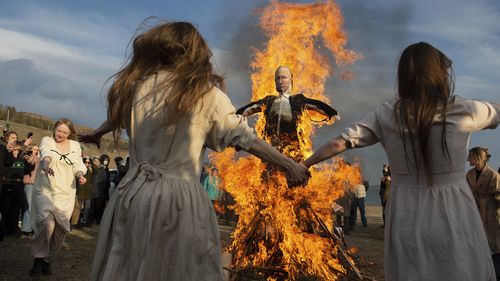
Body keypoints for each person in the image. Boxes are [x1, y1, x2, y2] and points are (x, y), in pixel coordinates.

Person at [78, 21, 309, 281]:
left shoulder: (137, 88)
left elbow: (117, 117)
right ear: (195, 51)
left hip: (131, 193)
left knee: (128, 269)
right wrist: (288, 164)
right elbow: (247, 139)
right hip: (177, 200)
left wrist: (98, 132)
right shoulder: (204, 94)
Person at [304, 42, 499, 280]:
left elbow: (340, 142)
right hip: (454, 208)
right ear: (439, 72)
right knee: (460, 267)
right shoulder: (463, 109)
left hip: (407, 210)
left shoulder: (387, 114)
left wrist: (304, 164)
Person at [236, 66, 340, 161]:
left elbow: (316, 105)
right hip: (271, 152)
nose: (280, 81)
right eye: (278, 78)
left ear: (291, 80)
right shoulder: (268, 101)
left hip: (293, 152)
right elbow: (248, 109)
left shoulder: (297, 99)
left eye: (284, 77)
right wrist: (235, 118)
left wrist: (332, 113)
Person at [29, 118, 87, 276]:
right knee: (47, 223)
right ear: (54, 129)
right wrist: (46, 165)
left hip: (66, 193)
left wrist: (81, 175)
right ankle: (38, 260)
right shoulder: (47, 140)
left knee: (60, 230)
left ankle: (48, 260)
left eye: (65, 132)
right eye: (59, 130)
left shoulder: (74, 146)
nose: (61, 134)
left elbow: (77, 164)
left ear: (70, 134)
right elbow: (46, 154)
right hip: (46, 189)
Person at [466, 147, 500, 278]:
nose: (468, 159)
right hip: (475, 211)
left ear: (478, 158)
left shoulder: (493, 175)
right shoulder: (469, 174)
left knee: (495, 243)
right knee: (478, 243)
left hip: (491, 213)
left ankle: (496, 273)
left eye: (470, 156)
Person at [21, 144, 40, 237]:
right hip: (29, 184)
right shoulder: (26, 157)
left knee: (34, 207)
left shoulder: (39, 159)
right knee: (28, 206)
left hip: (37, 185)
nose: (35, 151)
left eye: (37, 149)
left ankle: (32, 227)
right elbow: (27, 168)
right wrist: (30, 159)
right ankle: (26, 229)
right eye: (34, 149)